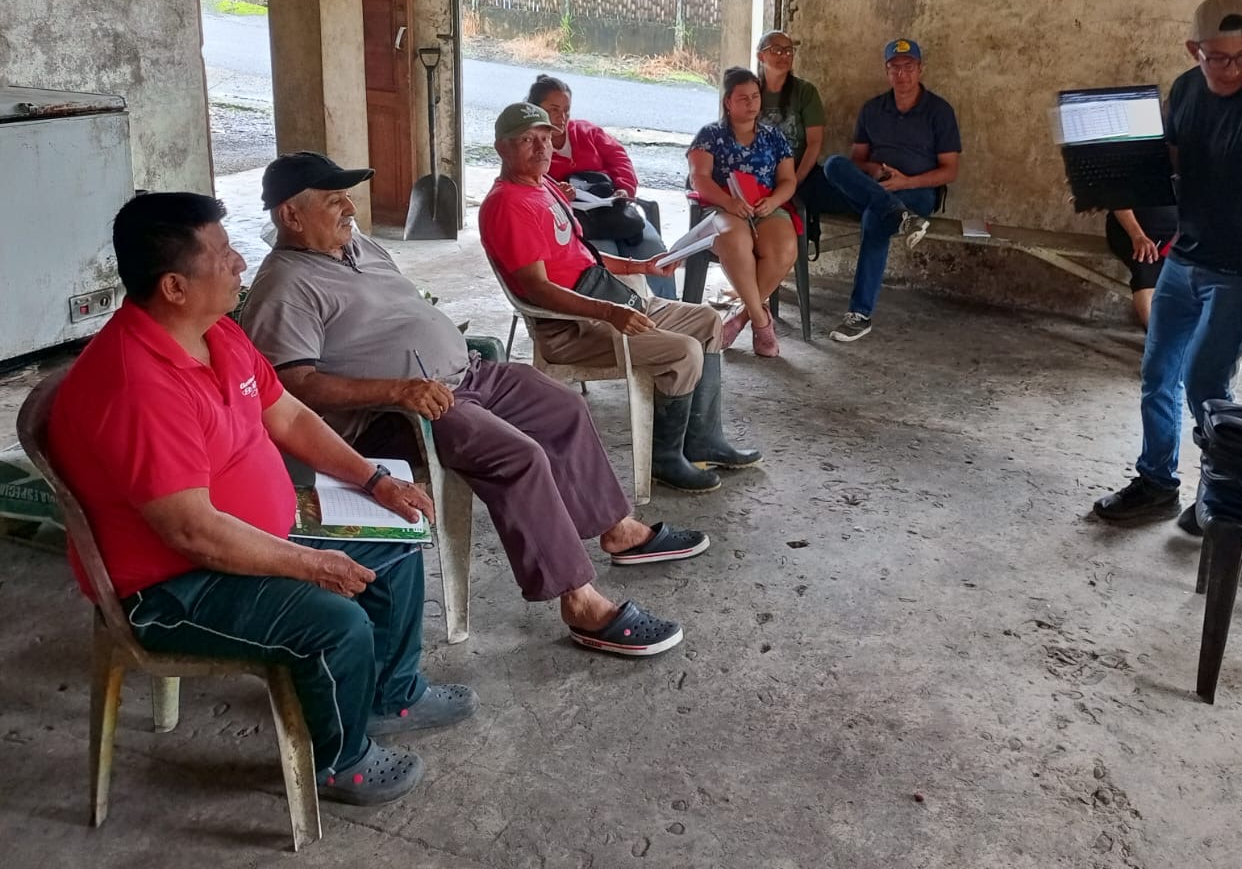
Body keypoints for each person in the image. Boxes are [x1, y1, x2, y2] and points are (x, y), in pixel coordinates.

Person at [48, 192, 477, 806]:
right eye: (223, 255)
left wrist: (373, 480)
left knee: (396, 537)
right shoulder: (136, 385)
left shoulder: (217, 331)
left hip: (251, 537)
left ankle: (391, 695)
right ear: (174, 286)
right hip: (174, 584)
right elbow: (192, 532)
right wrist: (312, 565)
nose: (241, 263)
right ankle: (341, 762)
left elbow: (289, 415)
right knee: (336, 622)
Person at [240, 152, 703, 659]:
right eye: (334, 201)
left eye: (347, 196)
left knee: (562, 407)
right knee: (516, 455)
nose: (350, 208)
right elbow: (294, 386)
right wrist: (396, 390)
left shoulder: (356, 245)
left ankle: (618, 531)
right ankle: (580, 602)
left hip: (464, 376)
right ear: (291, 215)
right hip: (399, 412)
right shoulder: (284, 287)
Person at [478, 103, 762, 494]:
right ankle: (664, 460)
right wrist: (610, 312)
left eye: (545, 138)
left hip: (603, 296)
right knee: (684, 352)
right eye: (528, 140)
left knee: (708, 321)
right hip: (571, 328)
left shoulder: (543, 186)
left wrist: (640, 266)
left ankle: (702, 440)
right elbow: (539, 289)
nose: (542, 148)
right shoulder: (508, 204)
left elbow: (583, 256)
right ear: (501, 148)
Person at [1093, 0, 1242, 530]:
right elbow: (1167, 166)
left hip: (1240, 272)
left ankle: (1220, 494)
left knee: (1206, 383)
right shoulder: (1184, 90)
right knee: (1158, 372)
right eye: (1219, 58)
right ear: (1194, 50)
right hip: (1184, 258)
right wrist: (1106, 175)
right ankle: (1157, 482)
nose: (1233, 69)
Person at [812, 37, 961, 343]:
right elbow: (858, 161)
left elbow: (950, 171)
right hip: (875, 186)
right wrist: (877, 171)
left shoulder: (939, 111)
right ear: (887, 70)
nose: (902, 74)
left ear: (920, 69)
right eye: (895, 67)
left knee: (874, 218)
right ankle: (899, 214)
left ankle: (859, 315)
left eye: (909, 66)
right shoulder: (873, 109)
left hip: (917, 191)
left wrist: (905, 182)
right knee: (834, 164)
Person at [528, 74, 676, 300]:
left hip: (615, 211)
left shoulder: (586, 132)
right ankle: (625, 311)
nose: (561, 117)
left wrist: (624, 188)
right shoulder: (530, 147)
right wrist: (558, 195)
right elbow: (530, 190)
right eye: (554, 110)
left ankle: (667, 306)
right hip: (578, 222)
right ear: (536, 109)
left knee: (652, 247)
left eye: (566, 110)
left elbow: (619, 159)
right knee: (605, 256)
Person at [688, 68, 800, 357]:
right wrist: (728, 202)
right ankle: (761, 322)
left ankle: (740, 317)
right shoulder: (710, 135)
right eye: (743, 98)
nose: (752, 104)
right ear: (728, 102)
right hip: (723, 207)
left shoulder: (774, 137)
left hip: (764, 207)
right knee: (735, 240)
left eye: (755, 96)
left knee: (785, 248)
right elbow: (699, 178)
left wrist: (773, 201)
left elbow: (788, 180)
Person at [754, 29, 826, 213]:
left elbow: (815, 142)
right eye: (777, 50)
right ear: (761, 56)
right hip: (756, 171)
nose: (784, 55)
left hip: (797, 173)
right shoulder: (751, 91)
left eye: (789, 50)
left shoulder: (805, 92)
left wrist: (794, 181)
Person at [1104, 205, 1179, 330]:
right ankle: (1155, 336)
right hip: (1132, 229)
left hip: (1174, 231)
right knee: (1145, 266)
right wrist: (1138, 236)